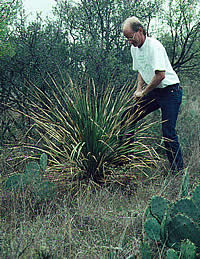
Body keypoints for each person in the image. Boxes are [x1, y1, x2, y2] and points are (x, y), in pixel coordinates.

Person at [122, 16, 184, 173]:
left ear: (140, 31)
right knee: (128, 117)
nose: (129, 41)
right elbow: (141, 70)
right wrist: (138, 89)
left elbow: (160, 75)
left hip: (170, 91)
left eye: (130, 37)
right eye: (126, 38)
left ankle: (178, 172)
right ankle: (125, 161)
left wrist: (144, 92)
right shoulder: (134, 48)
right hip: (154, 91)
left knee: (168, 132)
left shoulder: (154, 46)